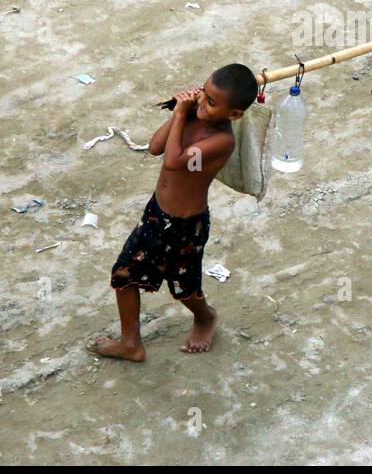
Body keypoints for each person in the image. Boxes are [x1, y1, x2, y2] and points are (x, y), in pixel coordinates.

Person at [87, 63, 258, 361]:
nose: (202, 103)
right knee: (124, 275)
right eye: (203, 94)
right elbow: (155, 147)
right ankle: (131, 344)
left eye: (212, 103)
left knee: (184, 288)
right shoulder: (191, 114)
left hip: (185, 227)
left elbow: (174, 161)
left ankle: (205, 317)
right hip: (156, 214)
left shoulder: (222, 141)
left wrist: (180, 114)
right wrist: (182, 111)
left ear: (235, 114)